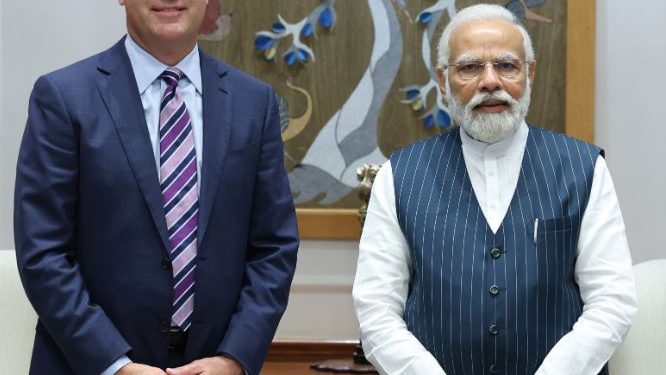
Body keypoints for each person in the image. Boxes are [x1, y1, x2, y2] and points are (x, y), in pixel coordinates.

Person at [14, 0, 298, 374]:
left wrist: (233, 359)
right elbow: (43, 252)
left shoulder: (253, 102)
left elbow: (274, 247)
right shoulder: (63, 97)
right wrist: (115, 365)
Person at [352, 4, 636, 375]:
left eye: (506, 65)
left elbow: (611, 300)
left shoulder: (584, 169)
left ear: (529, 73)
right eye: (470, 67)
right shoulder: (399, 175)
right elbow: (376, 309)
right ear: (443, 80)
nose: (490, 81)